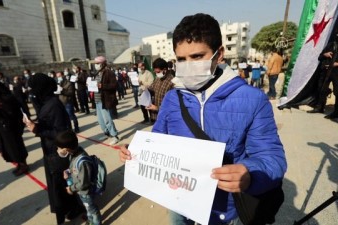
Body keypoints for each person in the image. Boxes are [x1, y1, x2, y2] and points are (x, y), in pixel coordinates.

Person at [119, 13, 287, 225]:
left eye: (197, 56)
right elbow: (158, 141)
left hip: (226, 211)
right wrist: (136, 153)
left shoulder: (253, 99)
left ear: (219, 55)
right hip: (180, 204)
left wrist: (250, 174)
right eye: (181, 59)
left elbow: (272, 157)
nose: (188, 65)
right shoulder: (173, 98)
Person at [24, 73, 85, 225]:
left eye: (34, 89)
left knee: (61, 183)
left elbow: (60, 133)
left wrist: (37, 130)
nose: (32, 92)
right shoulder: (46, 102)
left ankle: (72, 208)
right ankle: (70, 207)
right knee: (58, 184)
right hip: (50, 150)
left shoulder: (54, 105)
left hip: (57, 152)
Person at [0, 79, 29, 176]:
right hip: (1, 126)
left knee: (15, 145)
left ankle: (23, 164)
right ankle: (18, 163)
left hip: (11, 126)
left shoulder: (6, 97)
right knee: (8, 147)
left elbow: (12, 111)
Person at [55, 130, 102, 225]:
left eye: (59, 148)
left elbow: (84, 183)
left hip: (85, 192)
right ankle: (90, 219)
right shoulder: (74, 153)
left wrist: (71, 189)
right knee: (87, 207)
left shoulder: (83, 162)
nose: (58, 150)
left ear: (66, 150)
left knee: (92, 208)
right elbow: (74, 167)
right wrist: (68, 171)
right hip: (81, 191)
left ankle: (96, 222)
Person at [307, 35, 338, 119]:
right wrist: (325, 54)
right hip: (325, 71)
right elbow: (320, 57)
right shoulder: (331, 45)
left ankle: (336, 112)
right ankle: (319, 107)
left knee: (337, 92)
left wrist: (336, 64)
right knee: (321, 89)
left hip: (336, 72)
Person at [93, 56, 120, 146]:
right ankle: (107, 133)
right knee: (101, 121)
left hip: (104, 100)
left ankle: (115, 135)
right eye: (95, 63)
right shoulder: (97, 73)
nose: (96, 65)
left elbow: (114, 85)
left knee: (107, 120)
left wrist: (102, 86)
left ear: (103, 63)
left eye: (97, 63)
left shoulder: (109, 72)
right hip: (97, 100)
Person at [146, 58, 174, 122]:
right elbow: (151, 88)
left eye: (158, 72)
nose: (156, 74)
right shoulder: (157, 79)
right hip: (155, 116)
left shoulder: (172, 82)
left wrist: (157, 108)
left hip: (166, 118)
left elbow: (173, 105)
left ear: (164, 70)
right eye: (155, 72)